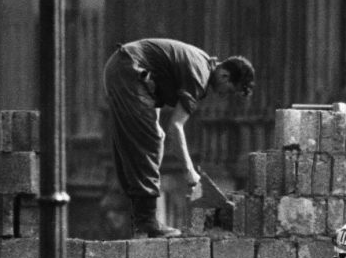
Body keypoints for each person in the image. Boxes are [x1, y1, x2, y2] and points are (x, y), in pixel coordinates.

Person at [103, 38, 254, 238]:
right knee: (148, 142)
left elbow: (156, 83)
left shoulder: (202, 62)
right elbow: (176, 126)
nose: (224, 96)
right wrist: (190, 172)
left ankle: (141, 218)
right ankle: (147, 221)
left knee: (150, 137)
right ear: (225, 76)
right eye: (230, 91)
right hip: (129, 71)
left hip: (125, 69)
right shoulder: (200, 75)